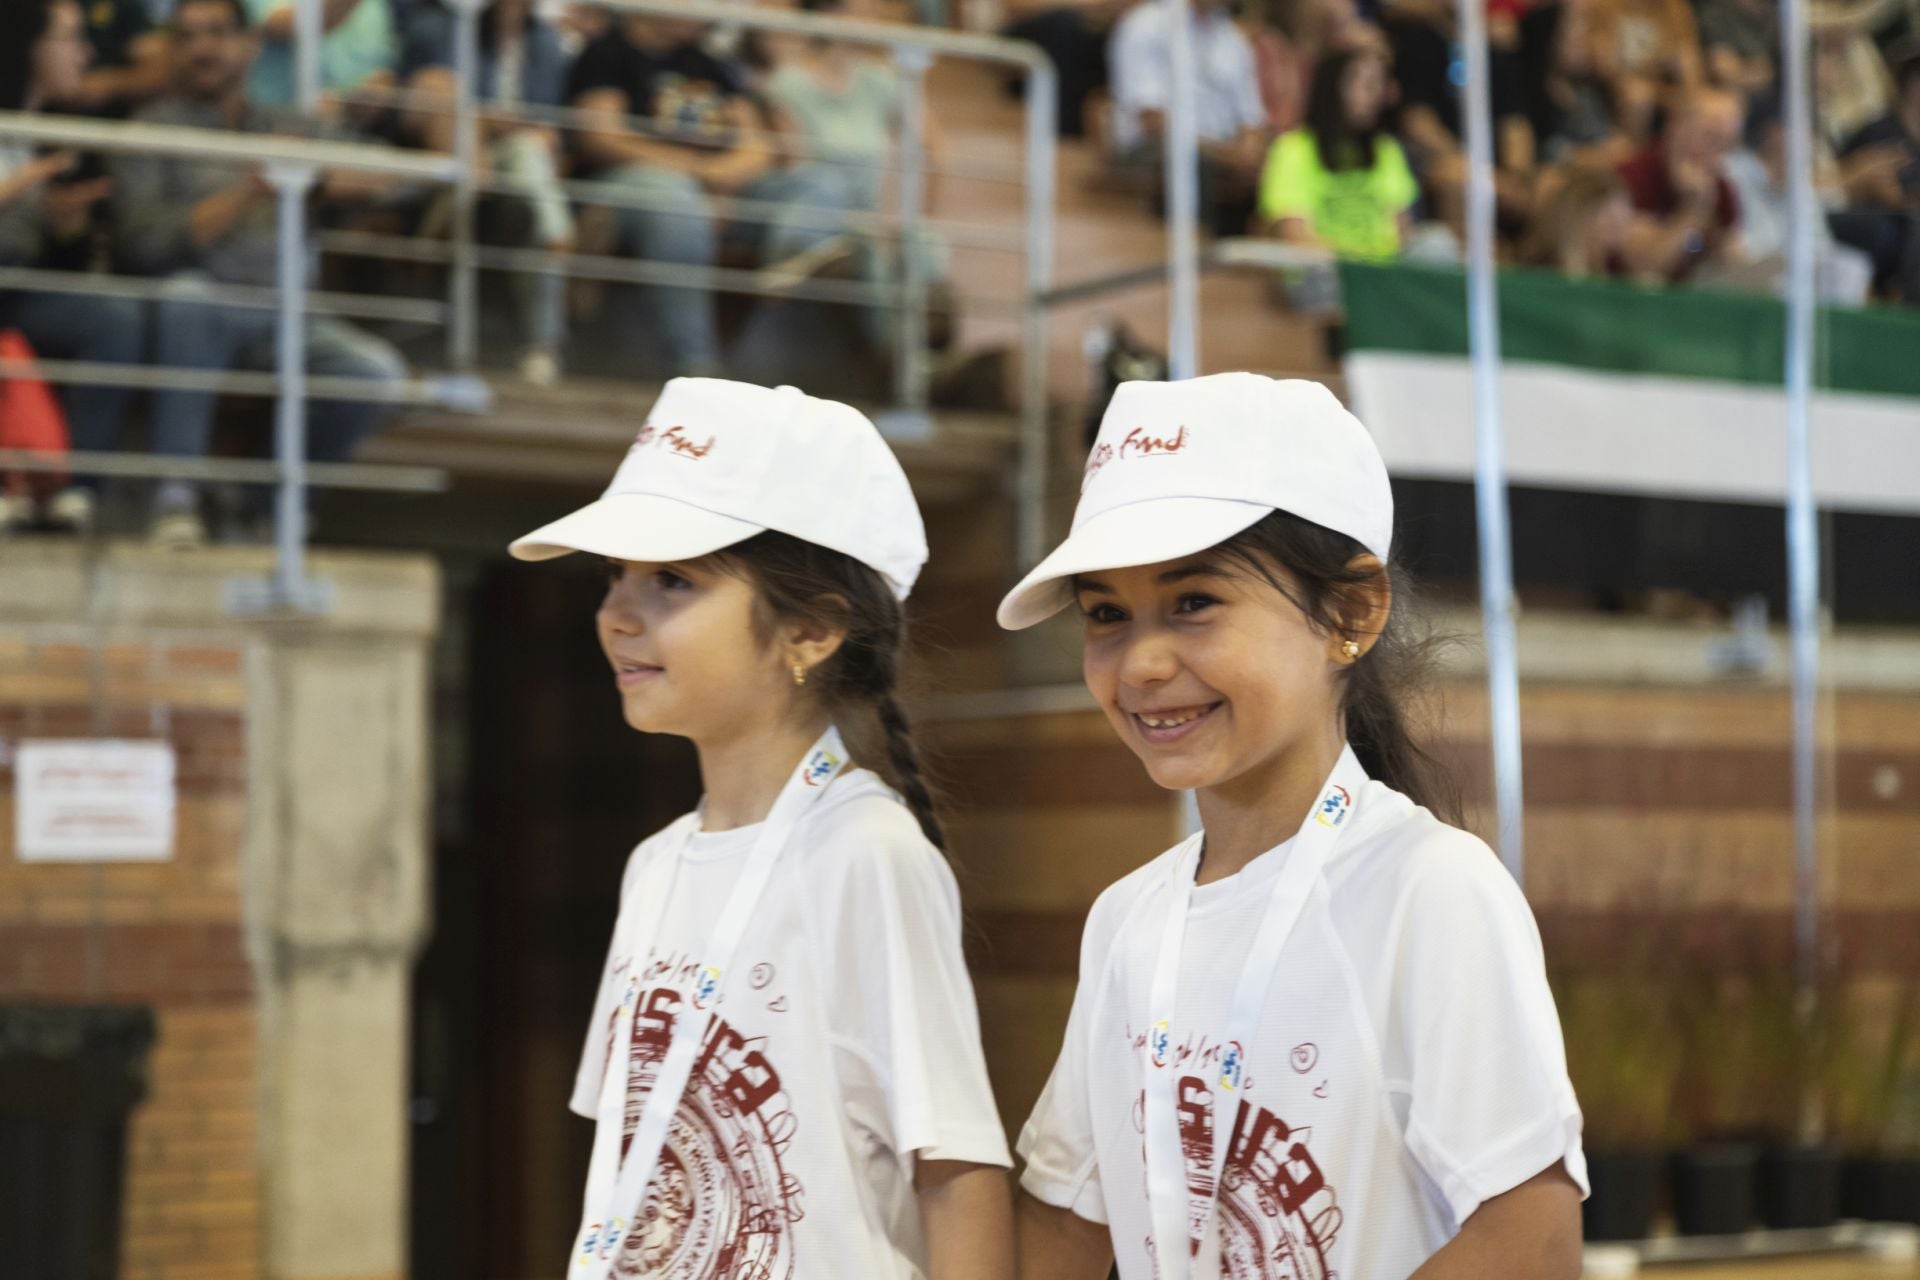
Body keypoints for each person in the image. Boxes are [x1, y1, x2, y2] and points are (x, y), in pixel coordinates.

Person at [1004, 373, 1588, 1279]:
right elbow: (1062, 1223)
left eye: (1194, 602)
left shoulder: (1429, 889)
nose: (1144, 663)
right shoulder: (1128, 920)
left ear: (1349, 614)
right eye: (1107, 616)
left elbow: (1531, 1239)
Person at [508, 377, 1014, 1278]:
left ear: (811, 632)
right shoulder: (655, 865)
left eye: (673, 580)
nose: (618, 614)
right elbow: (641, 1160)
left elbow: (957, 1170)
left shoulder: (867, 853)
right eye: (614, 576)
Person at [114, 0, 407, 548]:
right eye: (187, 37)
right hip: (201, 308)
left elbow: (394, 176)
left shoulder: (284, 124)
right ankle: (174, 495)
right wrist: (249, 188)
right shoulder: (149, 129)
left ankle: (269, 509)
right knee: (186, 296)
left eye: (217, 34)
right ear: (174, 50)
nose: (202, 48)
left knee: (375, 373)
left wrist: (310, 180)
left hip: (287, 311)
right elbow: (143, 246)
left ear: (249, 46)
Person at [566, 14, 853, 377]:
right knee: (676, 203)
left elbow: (758, 146)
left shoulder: (711, 64)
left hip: (719, 195)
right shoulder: (607, 53)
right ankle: (695, 365)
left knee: (816, 182)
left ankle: (790, 259)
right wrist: (696, 176)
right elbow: (600, 137)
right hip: (637, 189)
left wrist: (723, 182)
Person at [0, 0, 146, 535]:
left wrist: (66, 226)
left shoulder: (47, 130)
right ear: (27, 45)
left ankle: (77, 492)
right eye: (70, 38)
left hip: (16, 296)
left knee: (114, 316)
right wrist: (19, 192)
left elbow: (45, 259)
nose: (85, 53)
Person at [399, 0, 575, 383]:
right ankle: (545, 337)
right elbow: (429, 104)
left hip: (518, 160)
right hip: (461, 153)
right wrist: (493, 122)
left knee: (529, 156)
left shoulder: (544, 40)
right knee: (530, 168)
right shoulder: (442, 27)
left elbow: (549, 116)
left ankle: (533, 224)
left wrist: (530, 129)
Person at [764, 0, 953, 354]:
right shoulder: (787, 84)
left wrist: (915, 217)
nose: (872, 20)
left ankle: (927, 360)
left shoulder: (880, 80)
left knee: (924, 242)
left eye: (873, 11)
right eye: (858, 11)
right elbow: (795, 167)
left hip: (866, 219)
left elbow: (936, 150)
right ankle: (890, 360)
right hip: (818, 224)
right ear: (825, 15)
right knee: (868, 252)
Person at [1107, 0, 1273, 236]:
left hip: (1223, 151)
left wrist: (1249, 151)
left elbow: (1251, 117)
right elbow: (1153, 121)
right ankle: (1191, 261)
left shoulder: (1234, 41)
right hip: (1151, 149)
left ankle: (1246, 266)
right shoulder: (1146, 25)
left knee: (1280, 166)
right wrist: (1228, 156)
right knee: (1190, 163)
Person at [1258, 46, 1419, 261]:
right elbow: (1294, 235)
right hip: (1323, 271)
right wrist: (1351, 265)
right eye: (1367, 84)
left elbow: (1402, 229)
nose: (1377, 94)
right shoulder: (1292, 149)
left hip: (1380, 273)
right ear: (1333, 87)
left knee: (1436, 245)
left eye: (1380, 84)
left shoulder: (1387, 149)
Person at [1616, 86, 1746, 281]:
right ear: (1676, 127)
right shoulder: (1634, 176)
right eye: (1710, 137)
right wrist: (1692, 212)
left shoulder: (1720, 188)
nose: (1717, 155)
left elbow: (1735, 268)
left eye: (1726, 145)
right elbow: (1642, 267)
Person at [244, 0, 397, 110]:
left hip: (354, 127)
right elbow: (286, 26)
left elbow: (382, 57)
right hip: (276, 121)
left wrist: (379, 86)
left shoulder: (374, 5)